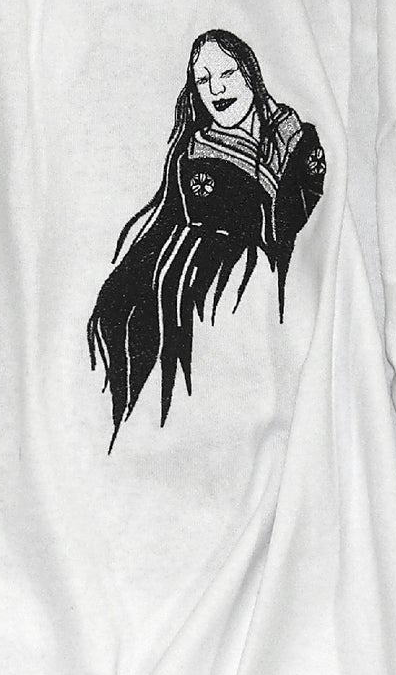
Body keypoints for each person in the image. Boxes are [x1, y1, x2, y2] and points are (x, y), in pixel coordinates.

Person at [88, 28, 324, 443]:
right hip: (191, 297)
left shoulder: (297, 141)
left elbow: (299, 229)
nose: (216, 89)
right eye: (203, 79)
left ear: (250, 73)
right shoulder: (193, 153)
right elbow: (169, 225)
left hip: (259, 310)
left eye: (227, 74)